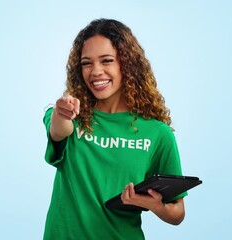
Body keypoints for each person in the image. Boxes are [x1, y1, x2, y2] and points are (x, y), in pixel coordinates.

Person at [42, 18, 186, 239]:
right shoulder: (70, 115)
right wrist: (62, 112)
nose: (95, 71)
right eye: (86, 63)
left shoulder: (157, 133)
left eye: (107, 60)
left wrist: (155, 205)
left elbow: (177, 212)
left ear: (127, 64)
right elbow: (60, 130)